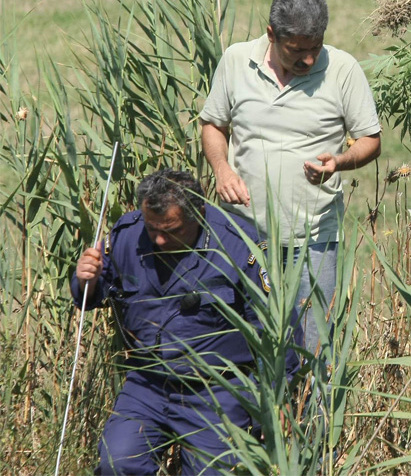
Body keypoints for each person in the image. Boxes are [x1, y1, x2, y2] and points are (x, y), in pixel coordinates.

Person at [72, 169, 299, 475]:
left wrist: (274, 399)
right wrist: (85, 278)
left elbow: (276, 327)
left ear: (199, 214)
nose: (160, 239)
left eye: (171, 230)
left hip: (218, 390)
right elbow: (93, 296)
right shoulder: (127, 234)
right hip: (147, 383)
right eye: (153, 229)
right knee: (118, 462)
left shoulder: (240, 246)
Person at [200, 0, 382, 356]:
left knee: (315, 350)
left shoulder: (342, 69)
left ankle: (314, 415)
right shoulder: (236, 61)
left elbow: (370, 140)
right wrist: (221, 170)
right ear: (271, 34)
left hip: (313, 237)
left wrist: (340, 162)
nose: (309, 60)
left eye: (315, 47)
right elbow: (213, 125)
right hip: (244, 237)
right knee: (246, 347)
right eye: (297, 50)